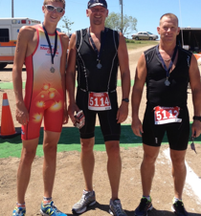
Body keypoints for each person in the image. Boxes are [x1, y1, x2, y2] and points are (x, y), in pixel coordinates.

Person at [131, 13, 201, 216]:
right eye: (165, 27)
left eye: (173, 27)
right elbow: (136, 89)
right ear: (158, 30)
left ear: (178, 31)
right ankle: (146, 199)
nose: (169, 31)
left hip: (179, 115)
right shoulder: (146, 56)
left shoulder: (188, 58)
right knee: (149, 158)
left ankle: (178, 201)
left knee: (178, 160)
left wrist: (198, 119)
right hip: (153, 115)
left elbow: (197, 90)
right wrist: (135, 117)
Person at [66, 0, 130, 215]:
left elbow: (126, 72)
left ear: (106, 13)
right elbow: (70, 72)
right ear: (87, 12)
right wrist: (71, 102)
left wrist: (125, 101)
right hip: (84, 98)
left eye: (101, 10)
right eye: (94, 10)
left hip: (110, 99)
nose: (98, 13)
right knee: (86, 145)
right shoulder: (77, 37)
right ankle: (89, 193)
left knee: (113, 148)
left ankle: (114, 199)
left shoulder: (116, 37)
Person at [12, 1, 68, 215]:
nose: (55, 13)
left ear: (63, 13)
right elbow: (16, 70)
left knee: (51, 149)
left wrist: (65, 105)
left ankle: (47, 203)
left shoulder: (64, 39)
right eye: (51, 8)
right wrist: (19, 103)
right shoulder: (28, 33)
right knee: (28, 152)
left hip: (55, 102)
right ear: (43, 8)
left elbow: (63, 74)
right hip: (32, 103)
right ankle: (20, 204)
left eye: (59, 9)